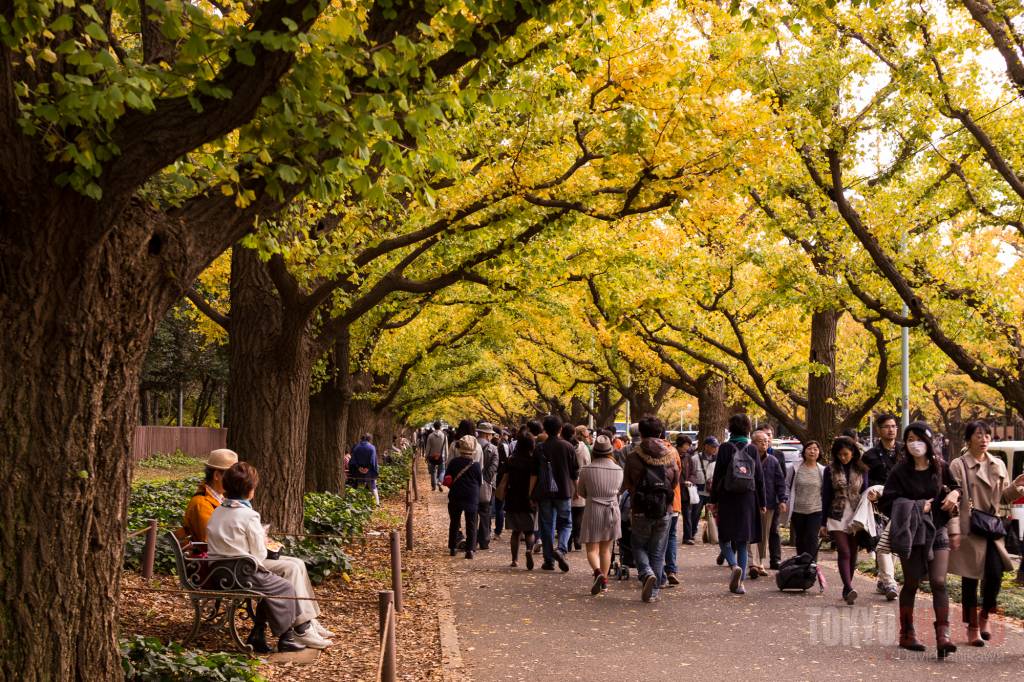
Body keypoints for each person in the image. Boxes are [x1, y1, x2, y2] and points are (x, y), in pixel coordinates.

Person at [206, 462, 330, 653]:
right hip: (241, 572)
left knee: (295, 564)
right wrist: (264, 541)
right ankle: (298, 630)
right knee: (286, 579)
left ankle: (305, 622)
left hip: (219, 571)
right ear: (249, 490)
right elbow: (259, 555)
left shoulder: (217, 511)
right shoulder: (249, 515)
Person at [879, 421, 961, 658]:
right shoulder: (900, 471)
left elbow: (956, 487)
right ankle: (907, 633)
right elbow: (887, 503)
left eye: (918, 438)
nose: (914, 443)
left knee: (939, 582)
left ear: (928, 440)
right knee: (913, 582)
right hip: (912, 534)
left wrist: (955, 493)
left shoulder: (940, 467)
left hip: (937, 530)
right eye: (910, 439)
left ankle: (943, 635)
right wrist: (916, 507)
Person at [949, 420, 1024, 647]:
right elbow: (954, 501)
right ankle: (972, 627)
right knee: (970, 579)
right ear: (969, 438)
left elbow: (1001, 498)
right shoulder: (958, 465)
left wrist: (1015, 488)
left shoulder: (998, 464)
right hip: (970, 527)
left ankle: (984, 616)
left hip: (992, 527)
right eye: (979, 435)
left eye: (987, 435)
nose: (984, 439)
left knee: (995, 574)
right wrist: (954, 531)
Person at [621, 416, 680, 603]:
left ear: (642, 433)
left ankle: (645, 572)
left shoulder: (633, 456)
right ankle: (653, 592)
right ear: (660, 433)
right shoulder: (672, 454)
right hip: (665, 508)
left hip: (640, 508)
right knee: (657, 551)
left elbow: (627, 483)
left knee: (637, 544)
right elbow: (676, 481)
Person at [708, 414, 765, 595]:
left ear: (730, 428)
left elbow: (717, 476)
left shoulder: (724, 448)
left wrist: (713, 500)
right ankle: (740, 584)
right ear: (748, 428)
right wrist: (762, 502)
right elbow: (759, 478)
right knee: (742, 540)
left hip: (727, 497)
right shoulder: (753, 449)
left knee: (724, 537)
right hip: (748, 498)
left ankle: (733, 566)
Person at [821, 436, 868, 605]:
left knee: (853, 553)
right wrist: (822, 522)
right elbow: (825, 495)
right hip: (836, 514)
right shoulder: (830, 470)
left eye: (846, 454)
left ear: (853, 453)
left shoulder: (862, 470)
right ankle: (848, 587)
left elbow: (865, 494)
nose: (843, 457)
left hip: (856, 515)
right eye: (840, 454)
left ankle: (847, 587)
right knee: (844, 551)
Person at [862, 413, 902, 601]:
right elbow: (863, 480)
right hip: (877, 505)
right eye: (886, 426)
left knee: (891, 543)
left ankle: (883, 579)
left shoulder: (904, 451)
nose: (891, 430)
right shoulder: (869, 456)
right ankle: (889, 582)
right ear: (879, 430)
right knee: (881, 542)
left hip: (900, 503)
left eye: (893, 426)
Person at [531, 415, 579, 572]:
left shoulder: (540, 448)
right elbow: (574, 473)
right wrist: (576, 490)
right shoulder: (568, 447)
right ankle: (561, 549)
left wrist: (531, 493)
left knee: (547, 526)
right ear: (560, 429)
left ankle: (548, 560)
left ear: (545, 429)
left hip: (544, 492)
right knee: (566, 523)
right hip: (564, 491)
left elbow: (534, 474)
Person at [578, 435, 623, 595]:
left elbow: (581, 492)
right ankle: (604, 580)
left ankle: (597, 573)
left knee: (591, 548)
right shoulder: (618, 470)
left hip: (593, 509)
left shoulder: (586, 470)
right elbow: (620, 490)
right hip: (612, 510)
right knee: (606, 549)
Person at [748, 429, 787, 578]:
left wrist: (782, 499)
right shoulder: (747, 458)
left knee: (764, 534)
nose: (764, 443)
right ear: (752, 443)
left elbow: (780, 481)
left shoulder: (773, 460)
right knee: (750, 532)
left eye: (766, 441)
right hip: (750, 502)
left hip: (769, 502)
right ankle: (752, 562)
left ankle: (761, 562)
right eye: (760, 441)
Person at [178, 449, 238, 544]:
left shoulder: (219, 498)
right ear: (217, 475)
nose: (235, 480)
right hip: (212, 557)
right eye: (231, 476)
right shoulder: (201, 504)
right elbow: (210, 541)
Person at [498, 429, 538, 569]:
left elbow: (502, 477)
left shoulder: (511, 460)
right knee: (529, 531)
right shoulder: (533, 461)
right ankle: (528, 549)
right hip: (528, 498)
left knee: (515, 532)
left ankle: (514, 560)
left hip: (512, 497)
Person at [782, 440, 825, 560]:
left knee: (812, 538)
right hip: (798, 510)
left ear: (819, 452)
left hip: (816, 510)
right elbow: (786, 485)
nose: (812, 451)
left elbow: (825, 491)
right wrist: (784, 500)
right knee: (800, 539)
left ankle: (811, 566)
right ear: (804, 451)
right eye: (809, 448)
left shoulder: (822, 470)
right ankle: (801, 566)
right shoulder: (795, 468)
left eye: (815, 449)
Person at [446, 435, 482, 559]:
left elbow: (447, 477)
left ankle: (453, 547)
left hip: (455, 495)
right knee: (471, 523)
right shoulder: (476, 465)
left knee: (455, 522)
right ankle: (470, 550)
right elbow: (479, 481)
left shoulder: (453, 463)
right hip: (471, 496)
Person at [476, 421, 499, 550]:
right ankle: (484, 540)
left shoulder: (471, 445)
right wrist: (487, 480)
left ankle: (472, 541)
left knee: (473, 513)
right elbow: (494, 467)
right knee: (485, 513)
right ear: (486, 434)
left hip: (472, 484)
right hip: (487, 485)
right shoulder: (493, 448)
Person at [570, 424, 592, 551]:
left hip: (568, 481)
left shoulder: (568, 446)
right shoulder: (584, 449)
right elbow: (587, 464)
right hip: (580, 479)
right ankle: (577, 538)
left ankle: (567, 540)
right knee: (579, 512)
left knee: (569, 513)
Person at [693, 436, 718, 543]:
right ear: (706, 446)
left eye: (716, 447)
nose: (715, 449)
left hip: (712, 492)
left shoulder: (718, 460)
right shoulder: (695, 459)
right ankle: (691, 534)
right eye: (713, 447)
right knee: (695, 514)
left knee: (713, 515)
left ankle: (712, 535)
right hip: (698, 491)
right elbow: (691, 473)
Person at [349, 434, 380, 504]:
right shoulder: (372, 448)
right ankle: (377, 503)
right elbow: (373, 460)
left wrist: (359, 467)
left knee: (360, 486)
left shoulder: (356, 447)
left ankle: (358, 503)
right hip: (370, 472)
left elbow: (353, 460)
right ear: (369, 439)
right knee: (372, 487)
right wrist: (368, 468)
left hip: (359, 471)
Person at [425, 421, 448, 491]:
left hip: (432, 456)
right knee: (442, 470)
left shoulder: (430, 436)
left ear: (434, 427)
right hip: (441, 456)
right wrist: (446, 456)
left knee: (433, 471)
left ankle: (433, 486)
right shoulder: (444, 435)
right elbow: (446, 447)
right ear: (440, 427)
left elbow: (428, 447)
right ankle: (440, 482)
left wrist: (426, 456)